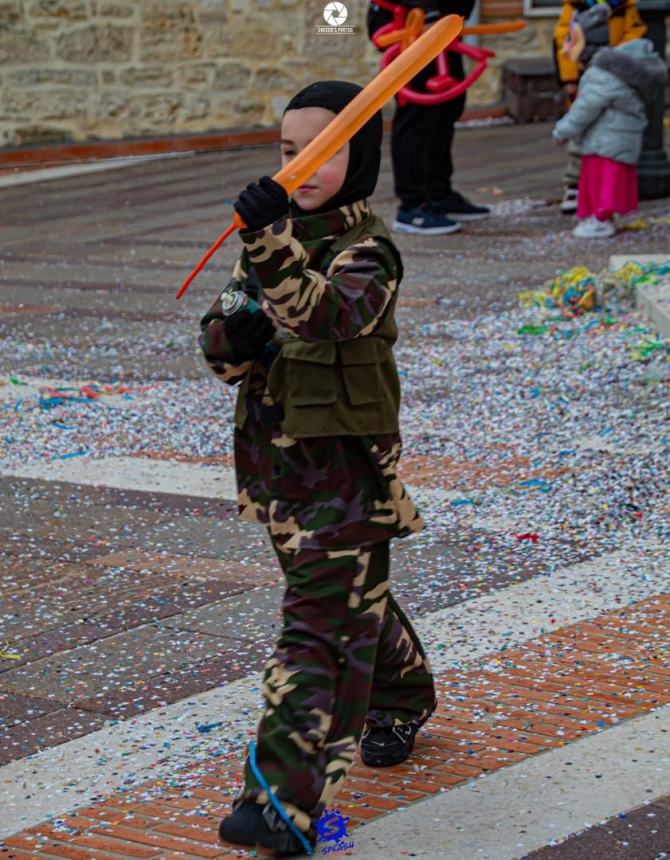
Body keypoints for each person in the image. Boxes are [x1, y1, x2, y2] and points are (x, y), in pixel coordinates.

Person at [200, 81, 437, 857]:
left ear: (358, 155)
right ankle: (402, 694)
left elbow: (327, 316)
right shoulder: (264, 242)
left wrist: (267, 245)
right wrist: (228, 339)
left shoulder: (371, 251)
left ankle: (279, 805)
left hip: (346, 476)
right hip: (278, 473)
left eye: (320, 148)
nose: (297, 162)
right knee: (345, 601)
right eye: (286, 148)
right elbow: (227, 349)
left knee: (318, 631)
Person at [368, 1, 490, 235]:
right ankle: (412, 206)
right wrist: (429, 13)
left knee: (448, 106)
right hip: (413, 19)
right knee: (418, 110)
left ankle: (438, 193)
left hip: (443, 20)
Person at [553, 5, 667, 238]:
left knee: (602, 183)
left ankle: (600, 220)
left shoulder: (600, 76)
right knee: (607, 182)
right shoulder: (614, 71)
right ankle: (602, 217)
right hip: (616, 139)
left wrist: (562, 130)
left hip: (606, 143)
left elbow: (584, 109)